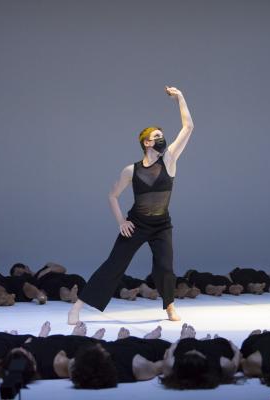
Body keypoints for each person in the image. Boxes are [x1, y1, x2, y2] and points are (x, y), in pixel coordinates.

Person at [68, 85, 194, 324]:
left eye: (162, 136)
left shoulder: (169, 160)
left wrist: (180, 97)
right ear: (146, 143)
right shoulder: (131, 170)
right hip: (137, 224)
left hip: (161, 225)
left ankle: (169, 306)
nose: (162, 139)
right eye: (156, 137)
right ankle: (77, 307)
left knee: (165, 268)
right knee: (114, 265)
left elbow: (188, 127)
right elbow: (112, 195)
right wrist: (121, 221)